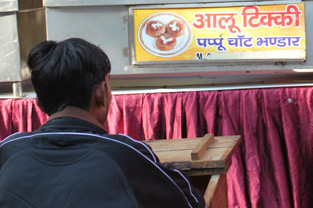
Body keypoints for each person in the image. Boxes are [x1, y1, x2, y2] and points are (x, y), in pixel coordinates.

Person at [0, 38, 205, 208]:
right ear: (101, 92)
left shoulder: (7, 151)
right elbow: (191, 202)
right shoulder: (125, 154)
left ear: (39, 102)